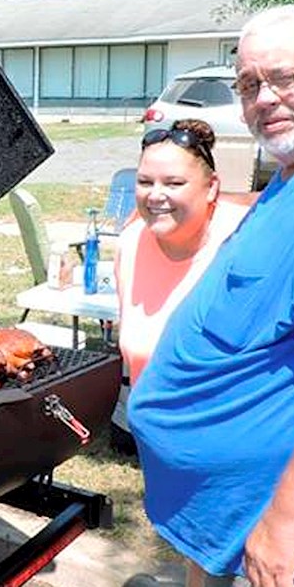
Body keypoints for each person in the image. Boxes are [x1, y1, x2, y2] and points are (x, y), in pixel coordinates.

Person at [128, 4, 294, 587]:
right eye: (249, 84)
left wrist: (285, 524)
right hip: (240, 532)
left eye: (282, 78)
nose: (264, 98)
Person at [116, 118, 250, 388]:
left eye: (173, 183)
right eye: (144, 182)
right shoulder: (131, 241)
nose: (155, 195)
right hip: (149, 420)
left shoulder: (247, 240)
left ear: (212, 187)